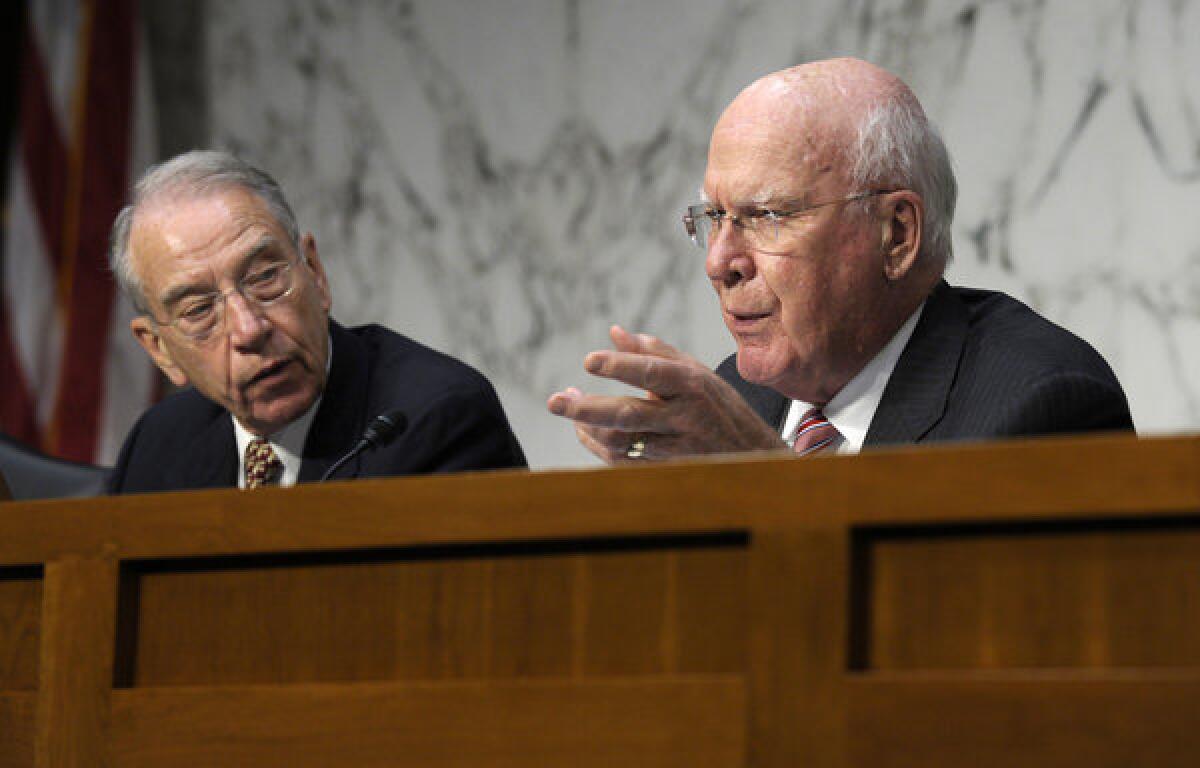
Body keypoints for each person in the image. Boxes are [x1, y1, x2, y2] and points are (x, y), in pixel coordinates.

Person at [547, 58, 1132, 462]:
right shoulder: (740, 400)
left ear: (896, 235)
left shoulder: (1039, 404)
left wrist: (761, 478)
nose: (720, 262)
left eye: (768, 216)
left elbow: (959, 630)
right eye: (715, 219)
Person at [109, 150, 525, 493]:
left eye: (265, 278)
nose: (250, 329)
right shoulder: (157, 446)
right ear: (159, 349)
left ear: (315, 272)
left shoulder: (436, 420)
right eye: (200, 310)